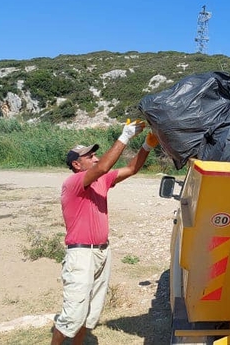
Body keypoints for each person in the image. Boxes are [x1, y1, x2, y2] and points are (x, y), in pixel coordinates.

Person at [51, 119, 159, 345]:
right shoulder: (74, 182)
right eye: (89, 156)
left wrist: (147, 146)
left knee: (89, 312)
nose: (96, 158)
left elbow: (131, 169)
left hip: (102, 253)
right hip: (81, 255)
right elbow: (103, 167)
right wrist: (125, 136)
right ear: (76, 165)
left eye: (95, 155)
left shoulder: (101, 180)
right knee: (72, 315)